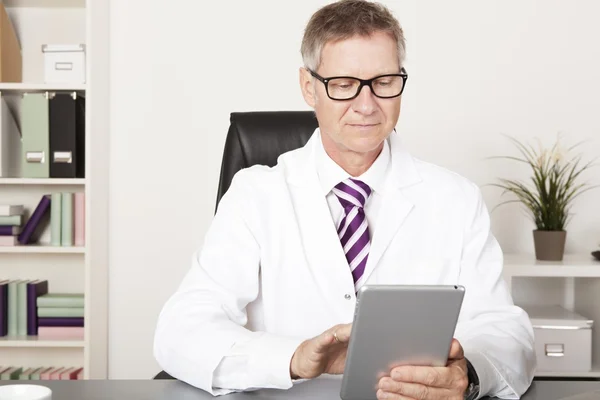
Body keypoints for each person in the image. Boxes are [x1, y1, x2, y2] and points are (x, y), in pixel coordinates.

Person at [153, 0, 536, 398]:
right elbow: (180, 331)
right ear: (308, 87)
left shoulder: (455, 199)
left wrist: (468, 374)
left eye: (384, 82)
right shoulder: (255, 196)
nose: (367, 105)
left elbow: (507, 332)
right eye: (343, 84)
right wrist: (292, 358)